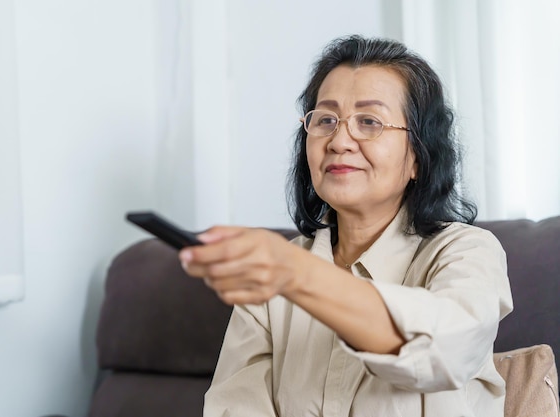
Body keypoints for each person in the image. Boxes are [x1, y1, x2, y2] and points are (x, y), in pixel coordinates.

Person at [179, 35, 513, 417]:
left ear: (419, 156)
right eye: (325, 120)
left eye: (369, 122)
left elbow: (446, 349)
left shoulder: (468, 251)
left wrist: (295, 276)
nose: (339, 140)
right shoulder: (275, 270)